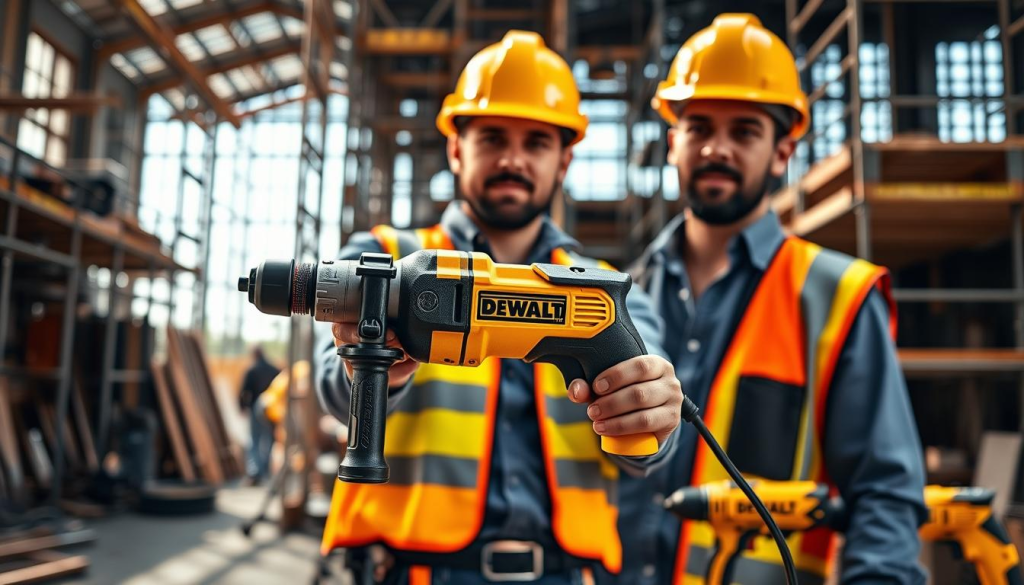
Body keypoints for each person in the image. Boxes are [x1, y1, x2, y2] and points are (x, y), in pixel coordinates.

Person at [316, 30, 683, 584]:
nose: (513, 158)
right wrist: (373, 371)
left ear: (564, 161)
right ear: (457, 148)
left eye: (536, 142)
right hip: (414, 572)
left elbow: (648, 445)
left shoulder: (605, 291)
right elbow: (331, 382)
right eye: (492, 137)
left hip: (567, 574)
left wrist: (652, 415)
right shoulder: (383, 257)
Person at [615, 13, 928, 585]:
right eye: (700, 127)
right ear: (672, 142)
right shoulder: (623, 293)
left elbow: (885, 494)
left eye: (745, 132)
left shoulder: (837, 297)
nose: (718, 148)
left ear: (783, 150)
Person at [238, 346, 279, 484]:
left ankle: (255, 472)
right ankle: (265, 470)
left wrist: (242, 407)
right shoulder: (274, 370)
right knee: (268, 440)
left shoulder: (252, 370)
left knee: (254, 440)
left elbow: (244, 391)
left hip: (257, 407)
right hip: (271, 409)